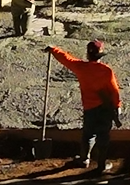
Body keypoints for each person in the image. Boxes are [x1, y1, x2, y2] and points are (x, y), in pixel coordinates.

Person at [48, 40, 122, 174]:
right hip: (105, 109)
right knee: (103, 136)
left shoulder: (81, 68)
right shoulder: (106, 71)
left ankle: (84, 159)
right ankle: (101, 165)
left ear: (88, 54)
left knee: (88, 134)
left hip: (90, 108)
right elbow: (114, 91)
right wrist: (117, 107)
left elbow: (67, 59)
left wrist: (54, 49)